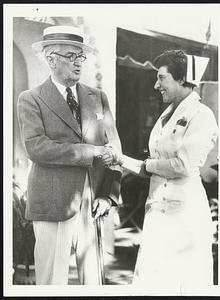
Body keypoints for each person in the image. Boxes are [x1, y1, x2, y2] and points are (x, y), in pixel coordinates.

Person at [103, 50, 218, 293]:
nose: (156, 85)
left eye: (161, 78)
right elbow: (152, 167)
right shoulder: (166, 115)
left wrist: (149, 166)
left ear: (182, 79)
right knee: (154, 283)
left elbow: (183, 165)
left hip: (184, 216)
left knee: (183, 284)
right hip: (157, 212)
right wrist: (119, 158)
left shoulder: (202, 115)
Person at [17, 25, 122, 285]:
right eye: (71, 56)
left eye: (81, 57)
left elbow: (114, 148)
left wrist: (109, 195)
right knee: (51, 281)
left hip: (93, 203)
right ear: (51, 59)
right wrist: (91, 152)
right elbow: (36, 148)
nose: (78, 64)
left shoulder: (98, 97)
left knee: (94, 282)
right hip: (52, 203)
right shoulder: (31, 99)